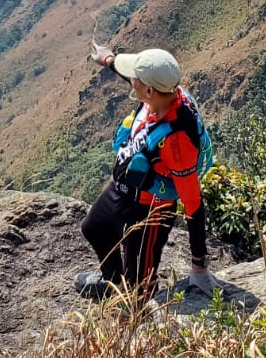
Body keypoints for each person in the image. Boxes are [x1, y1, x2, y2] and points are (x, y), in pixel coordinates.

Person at [75, 43, 219, 301]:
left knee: (139, 285)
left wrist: (199, 265)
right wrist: (108, 59)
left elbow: (193, 203)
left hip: (151, 211)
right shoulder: (164, 92)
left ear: (149, 90)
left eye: (136, 80)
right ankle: (112, 282)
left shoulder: (177, 140)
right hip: (124, 191)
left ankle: (133, 310)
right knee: (93, 228)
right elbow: (136, 76)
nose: (132, 82)